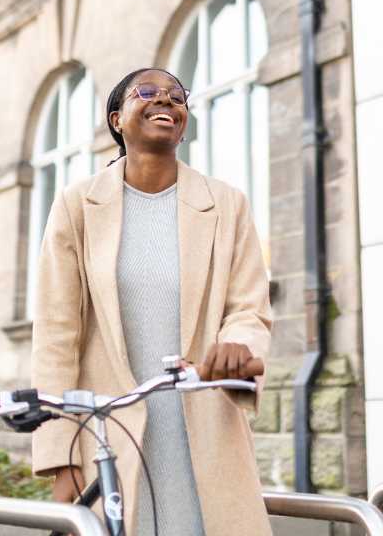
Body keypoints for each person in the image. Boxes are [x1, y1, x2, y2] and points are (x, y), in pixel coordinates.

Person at [31, 68, 274, 536]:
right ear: (118, 119)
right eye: (148, 91)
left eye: (177, 96)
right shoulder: (76, 206)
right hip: (106, 441)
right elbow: (57, 336)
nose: (166, 100)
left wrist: (238, 349)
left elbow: (249, 309)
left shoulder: (227, 204)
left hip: (205, 436)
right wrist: (60, 458)